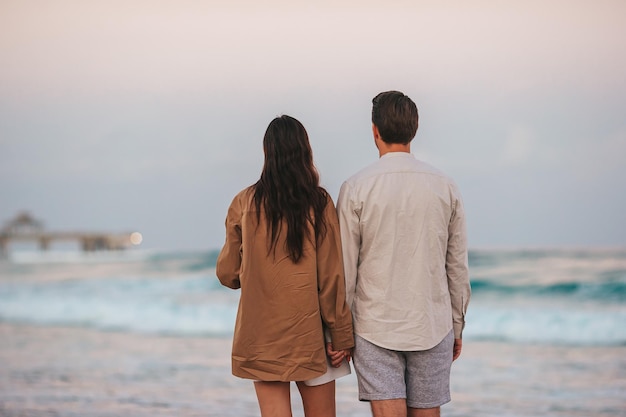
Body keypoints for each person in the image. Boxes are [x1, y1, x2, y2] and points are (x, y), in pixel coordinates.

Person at [336, 91, 471, 417]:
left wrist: (339, 331)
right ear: (415, 128)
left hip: (373, 327)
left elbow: (345, 269)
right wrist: (456, 324)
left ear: (375, 131)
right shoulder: (445, 185)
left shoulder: (356, 187)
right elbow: (456, 266)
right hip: (433, 324)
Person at [216, 115, 354, 417]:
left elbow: (227, 274)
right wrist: (342, 336)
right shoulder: (319, 202)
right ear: (306, 152)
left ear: (267, 153)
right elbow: (331, 277)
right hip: (311, 336)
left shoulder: (243, 202)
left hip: (261, 337)